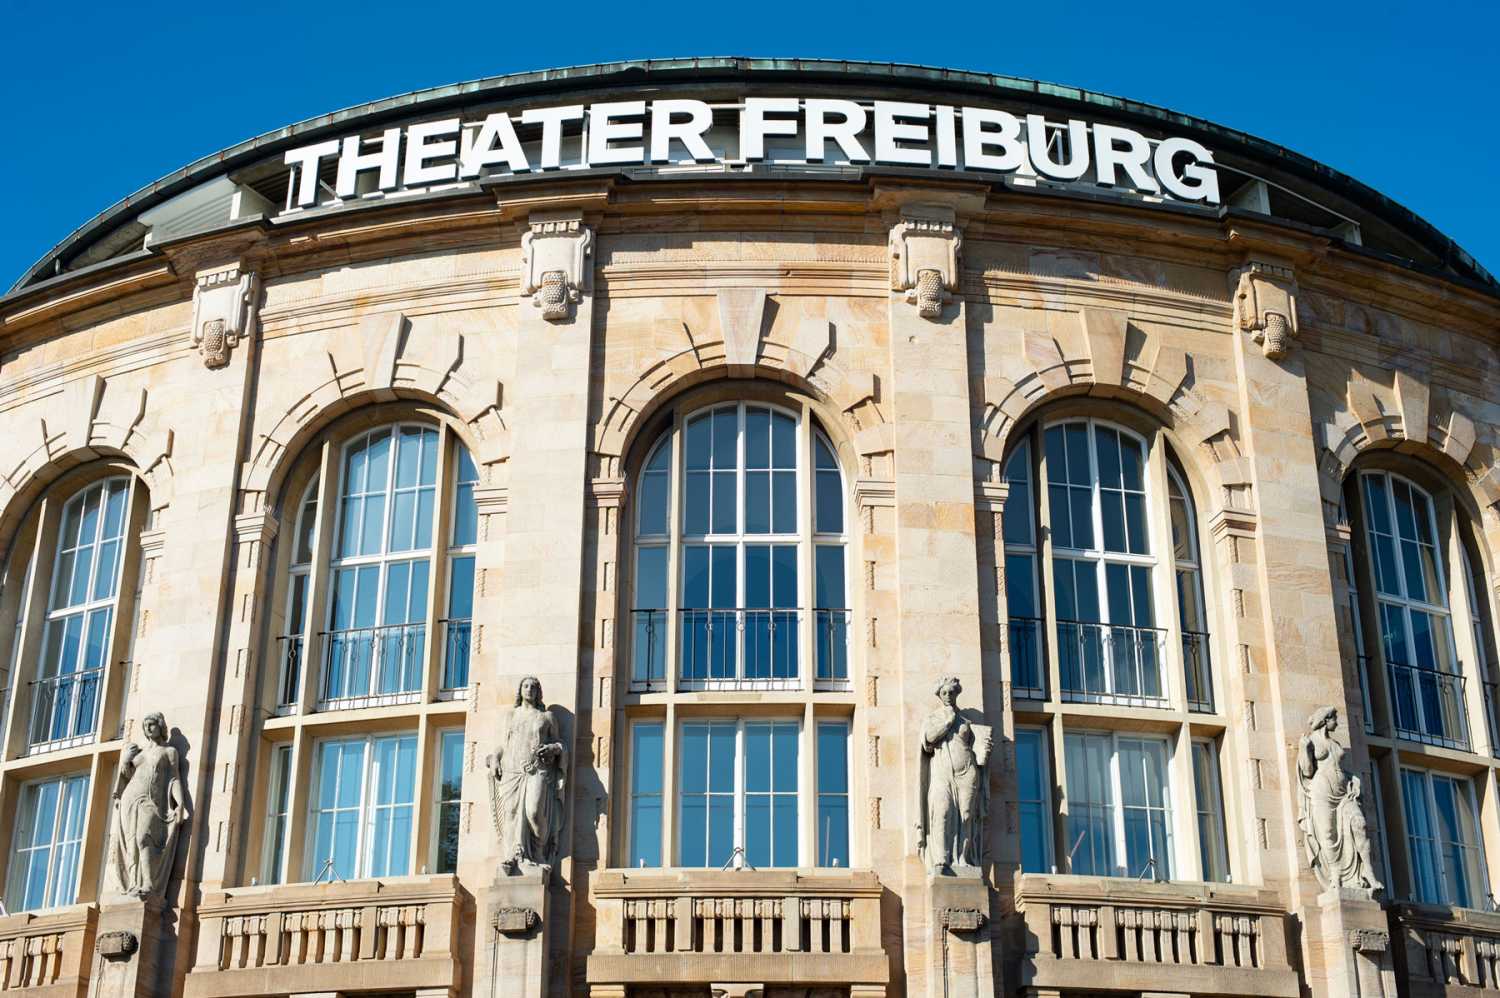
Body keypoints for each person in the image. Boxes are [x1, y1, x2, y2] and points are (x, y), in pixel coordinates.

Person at [1297, 706, 1382, 893]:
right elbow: (1307, 771)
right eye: (1335, 718)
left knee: (1359, 824)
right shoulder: (1311, 741)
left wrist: (1354, 779)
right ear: (1326, 720)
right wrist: (1304, 749)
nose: (1337, 722)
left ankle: (1368, 871)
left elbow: (1340, 768)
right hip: (1322, 791)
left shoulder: (1335, 744)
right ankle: (1335, 875)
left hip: (1343, 793)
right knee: (1327, 833)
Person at [488, 677, 566, 874]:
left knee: (533, 812)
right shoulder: (510, 716)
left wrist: (552, 749)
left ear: (538, 691)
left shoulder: (547, 717)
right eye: (525, 686)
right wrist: (495, 758)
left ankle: (538, 852)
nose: (529, 689)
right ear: (520, 690)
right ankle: (513, 855)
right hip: (512, 769)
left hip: (536, 770)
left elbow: (560, 745)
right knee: (511, 814)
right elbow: (502, 746)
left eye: (533, 686)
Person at [111, 711, 187, 899]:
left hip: (150, 800)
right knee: (132, 842)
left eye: (152, 724)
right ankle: (135, 883)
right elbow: (125, 775)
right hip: (131, 798)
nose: (148, 728)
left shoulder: (169, 752)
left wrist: (180, 804)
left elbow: (174, 778)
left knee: (144, 837)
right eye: (146, 725)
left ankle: (148, 882)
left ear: (160, 726)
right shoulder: (140, 752)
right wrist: (125, 759)